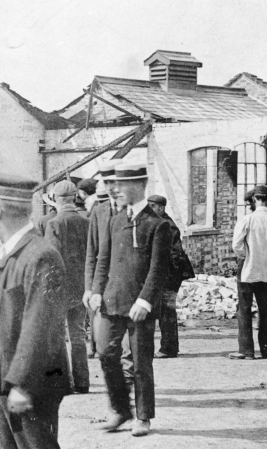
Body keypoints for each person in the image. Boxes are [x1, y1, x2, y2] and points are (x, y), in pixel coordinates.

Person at [0, 171, 72, 449]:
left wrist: (21, 383)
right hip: (8, 377)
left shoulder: (39, 256)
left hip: (31, 382)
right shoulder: (9, 253)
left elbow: (40, 328)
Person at [90, 161, 172, 437]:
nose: (115, 190)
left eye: (121, 186)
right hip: (111, 302)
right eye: (112, 186)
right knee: (105, 352)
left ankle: (143, 417)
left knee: (140, 362)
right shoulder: (114, 220)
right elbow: (103, 260)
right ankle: (120, 410)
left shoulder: (158, 225)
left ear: (140, 186)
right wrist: (96, 290)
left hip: (140, 307)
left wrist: (145, 301)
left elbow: (159, 269)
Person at [82, 162, 135, 382]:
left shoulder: (135, 210)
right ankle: (119, 379)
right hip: (102, 288)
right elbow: (92, 253)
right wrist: (89, 288)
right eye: (108, 182)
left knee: (128, 344)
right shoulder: (99, 211)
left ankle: (129, 377)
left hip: (128, 287)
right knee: (104, 346)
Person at [45, 180, 91, 394]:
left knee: (56, 336)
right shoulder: (86, 221)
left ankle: (62, 382)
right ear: (74, 198)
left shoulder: (54, 224)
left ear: (56, 199)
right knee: (78, 335)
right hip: (82, 287)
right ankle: (82, 382)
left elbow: (51, 260)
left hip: (60, 289)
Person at [230, 185, 267, 360]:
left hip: (247, 270)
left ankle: (246, 350)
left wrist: (247, 256)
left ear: (254, 199)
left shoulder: (247, 219)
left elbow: (236, 245)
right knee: (265, 309)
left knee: (244, 309)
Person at [147, 194, 195, 358]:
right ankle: (167, 347)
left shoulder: (168, 225)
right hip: (165, 273)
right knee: (162, 309)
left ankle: (169, 348)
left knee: (167, 310)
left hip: (171, 274)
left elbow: (175, 253)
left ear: (161, 208)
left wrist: (163, 273)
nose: (150, 209)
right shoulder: (159, 223)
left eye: (153, 206)